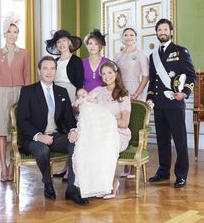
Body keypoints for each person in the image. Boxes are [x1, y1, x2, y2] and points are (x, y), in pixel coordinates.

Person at [17, 56, 88, 205]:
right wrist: (39, 136)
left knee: (77, 143)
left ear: (56, 71)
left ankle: (72, 189)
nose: (49, 72)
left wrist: (73, 130)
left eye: (52, 68)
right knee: (43, 151)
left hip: (55, 136)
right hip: (34, 138)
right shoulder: (28, 91)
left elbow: (68, 118)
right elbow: (22, 121)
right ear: (39, 71)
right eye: (45, 68)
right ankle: (48, 183)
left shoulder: (61, 91)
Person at [147, 18, 196, 188]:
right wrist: (150, 97)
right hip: (159, 105)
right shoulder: (153, 56)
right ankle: (163, 171)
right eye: (159, 30)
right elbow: (152, 81)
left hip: (175, 103)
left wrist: (185, 93)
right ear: (157, 33)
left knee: (180, 140)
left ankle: (181, 175)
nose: (162, 32)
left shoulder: (181, 51)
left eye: (165, 29)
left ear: (171, 32)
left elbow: (191, 75)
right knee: (162, 140)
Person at [73, 61, 131, 199]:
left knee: (102, 146)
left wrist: (104, 121)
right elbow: (81, 104)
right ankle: (95, 184)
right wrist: (79, 102)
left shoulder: (123, 95)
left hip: (117, 133)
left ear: (116, 74)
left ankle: (112, 182)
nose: (106, 76)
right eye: (103, 74)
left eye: (109, 73)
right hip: (99, 132)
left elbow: (124, 122)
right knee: (86, 145)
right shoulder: (98, 91)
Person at [0, 12, 31, 182]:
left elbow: (27, 76)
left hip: (20, 92)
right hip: (1, 93)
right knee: (2, 131)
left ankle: (14, 164)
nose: (13, 35)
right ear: (4, 34)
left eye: (15, 32)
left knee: (19, 130)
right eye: (9, 32)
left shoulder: (24, 53)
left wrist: (29, 97)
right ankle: (3, 166)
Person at [46, 29, 84, 180]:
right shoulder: (54, 62)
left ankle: (71, 168)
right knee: (60, 130)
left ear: (69, 42)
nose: (61, 44)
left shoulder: (76, 61)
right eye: (58, 42)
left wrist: (76, 102)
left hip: (71, 95)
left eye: (64, 40)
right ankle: (64, 165)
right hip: (56, 97)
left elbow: (80, 83)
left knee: (72, 129)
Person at [114, 26, 149, 179]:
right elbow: (113, 75)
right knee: (123, 126)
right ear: (122, 38)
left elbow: (146, 76)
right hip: (120, 93)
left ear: (136, 37)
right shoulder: (117, 56)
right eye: (126, 35)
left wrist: (136, 94)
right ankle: (126, 166)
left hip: (135, 92)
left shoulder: (141, 55)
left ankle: (134, 167)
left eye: (131, 35)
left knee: (134, 126)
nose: (128, 37)